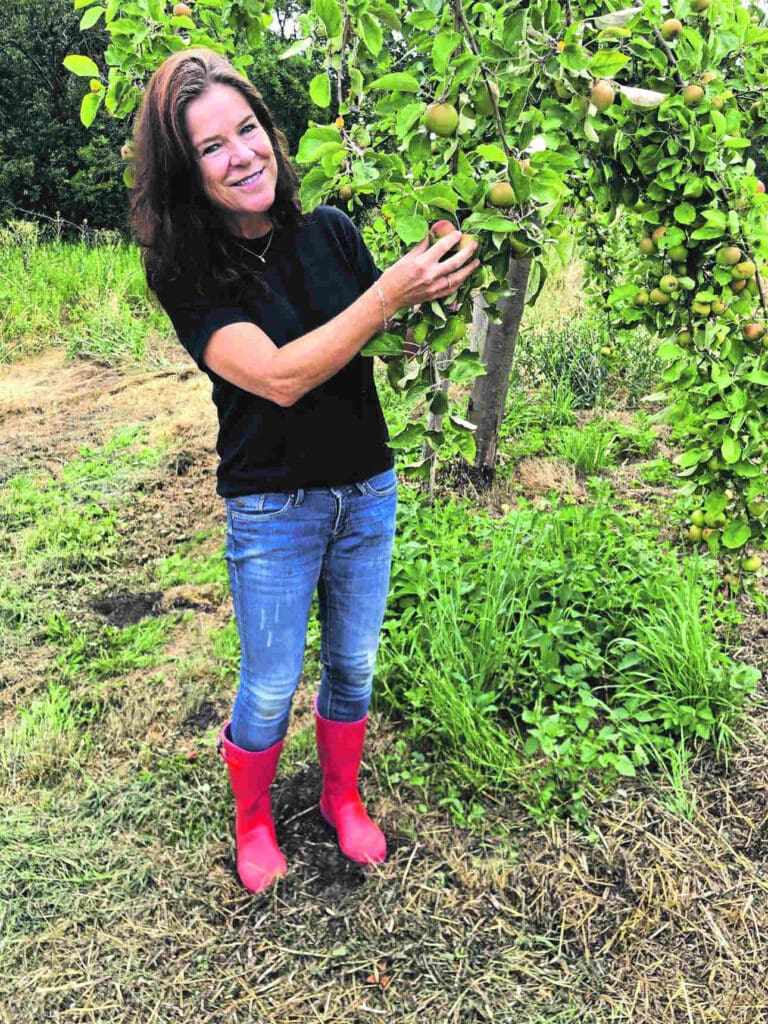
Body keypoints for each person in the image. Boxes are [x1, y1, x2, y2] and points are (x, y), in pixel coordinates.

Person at [129, 47, 479, 894]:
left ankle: (339, 797)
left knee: (353, 667)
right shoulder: (188, 270)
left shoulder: (329, 232)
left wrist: (434, 278)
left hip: (366, 489)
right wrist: (388, 295)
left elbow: (375, 331)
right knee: (269, 684)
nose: (241, 154)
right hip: (272, 505)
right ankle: (253, 819)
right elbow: (280, 375)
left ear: (271, 137)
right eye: (212, 146)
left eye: (247, 130)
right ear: (187, 170)